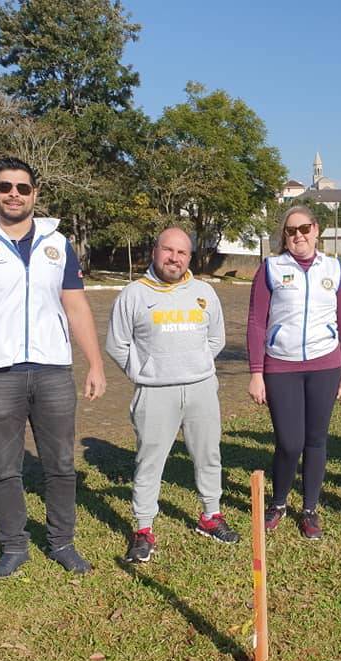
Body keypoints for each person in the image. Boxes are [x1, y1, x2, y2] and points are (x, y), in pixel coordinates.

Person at [0, 157, 107, 579]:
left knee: (61, 463)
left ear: (35, 194)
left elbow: (76, 305)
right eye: (5, 187)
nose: (14, 194)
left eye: (22, 188)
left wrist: (95, 363)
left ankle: (62, 542)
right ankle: (13, 546)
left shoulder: (57, 243)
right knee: (4, 467)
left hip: (53, 370)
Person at [107, 227, 238, 562]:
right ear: (155, 251)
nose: (174, 258)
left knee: (208, 455)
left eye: (182, 253)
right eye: (168, 250)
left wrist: (197, 365)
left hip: (201, 388)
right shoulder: (134, 294)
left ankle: (210, 516)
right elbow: (117, 344)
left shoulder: (204, 292)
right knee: (149, 461)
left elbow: (217, 339)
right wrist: (144, 371)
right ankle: (144, 529)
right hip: (154, 393)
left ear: (189, 257)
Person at [246, 205, 341, 539]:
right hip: (280, 366)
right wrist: (256, 372)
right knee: (289, 442)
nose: (299, 235)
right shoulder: (270, 268)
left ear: (316, 229)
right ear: (284, 236)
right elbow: (256, 322)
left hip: (326, 364)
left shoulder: (335, 269)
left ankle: (310, 509)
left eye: (304, 228)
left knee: (316, 439)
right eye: (291, 230)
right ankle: (278, 502)